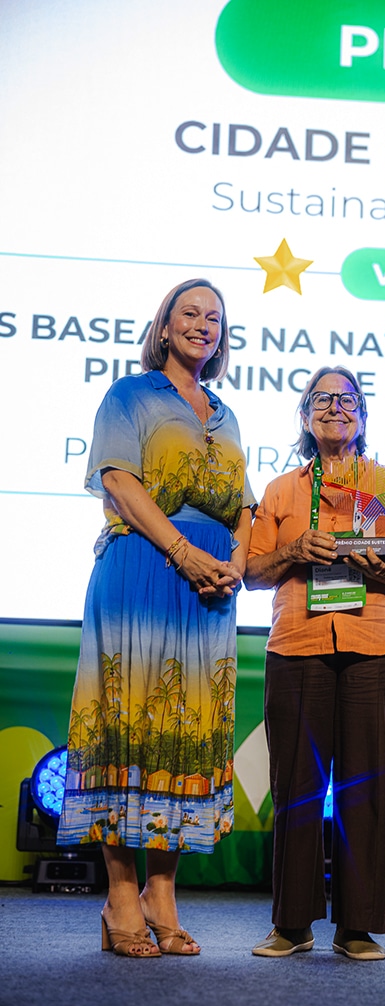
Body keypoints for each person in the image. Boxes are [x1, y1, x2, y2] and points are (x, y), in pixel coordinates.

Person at [57, 279, 254, 958]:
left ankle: (161, 893)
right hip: (143, 571)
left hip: (208, 596)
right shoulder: (130, 396)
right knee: (127, 727)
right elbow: (118, 479)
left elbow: (244, 506)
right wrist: (183, 550)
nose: (203, 325)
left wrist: (239, 561)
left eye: (215, 319)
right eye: (190, 314)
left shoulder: (225, 413)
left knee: (185, 736)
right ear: (164, 328)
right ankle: (119, 897)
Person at [245, 366, 385, 961]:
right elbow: (250, 574)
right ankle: (292, 924)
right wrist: (295, 550)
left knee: (369, 789)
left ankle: (358, 927)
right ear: (304, 417)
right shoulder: (280, 492)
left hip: (376, 643)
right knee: (295, 786)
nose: (335, 408)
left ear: (364, 417)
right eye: (321, 399)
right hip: (296, 644)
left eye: (348, 400)